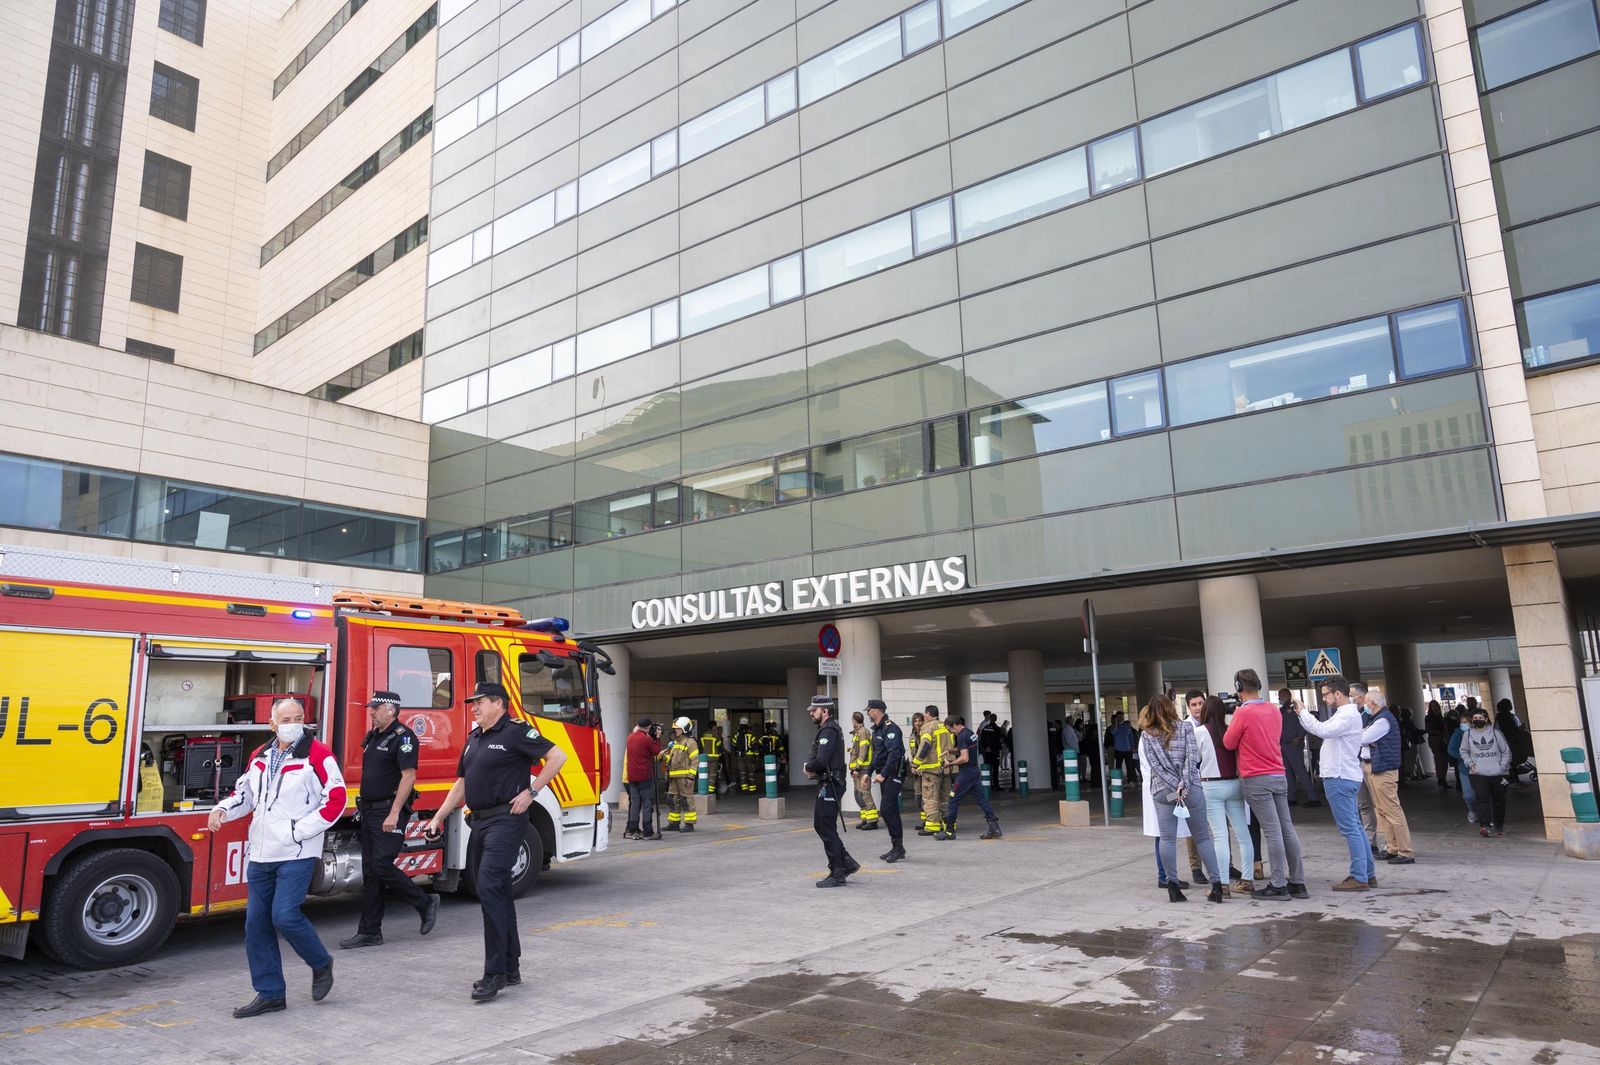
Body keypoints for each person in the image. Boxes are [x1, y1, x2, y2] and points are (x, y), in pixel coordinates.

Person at [425, 681, 567, 1001]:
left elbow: (557, 757)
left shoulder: (516, 732)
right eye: (472, 702)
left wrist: (531, 792)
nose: (473, 707)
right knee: (498, 891)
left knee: (488, 887)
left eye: (479, 702)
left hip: (507, 820)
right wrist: (438, 816)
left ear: (498, 704)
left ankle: (495, 974)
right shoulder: (474, 738)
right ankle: (510, 966)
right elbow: (461, 784)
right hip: (480, 821)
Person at [209, 697, 343, 1018]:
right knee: (256, 923)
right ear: (273, 724)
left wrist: (300, 831)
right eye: (286, 719)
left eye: (298, 717)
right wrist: (223, 809)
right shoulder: (260, 755)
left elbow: (336, 799)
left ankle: (320, 962)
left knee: (284, 915)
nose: (294, 723)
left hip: (297, 851)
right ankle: (270, 993)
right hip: (262, 852)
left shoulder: (318, 754)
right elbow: (245, 795)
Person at [340, 691, 437, 949]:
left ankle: (425, 902)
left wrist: (394, 812)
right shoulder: (374, 735)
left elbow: (408, 776)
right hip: (370, 811)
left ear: (391, 710)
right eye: (371, 707)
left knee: (381, 865)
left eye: (376, 708)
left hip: (388, 811)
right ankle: (370, 932)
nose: (371, 711)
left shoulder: (403, 737)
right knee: (371, 872)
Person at [1223, 668, 1307, 900]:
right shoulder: (1273, 709)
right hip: (1278, 774)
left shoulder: (1243, 713)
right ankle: (1298, 882)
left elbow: (1229, 743)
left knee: (1271, 831)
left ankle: (1278, 884)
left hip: (1256, 778)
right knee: (1286, 828)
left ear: (1239, 688)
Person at [1139, 695, 1225, 903]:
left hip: (1163, 792)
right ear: (1171, 708)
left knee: (1167, 839)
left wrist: (1173, 785)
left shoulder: (1147, 735)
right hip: (1190, 789)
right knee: (1203, 837)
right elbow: (1192, 758)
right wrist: (1183, 784)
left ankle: (1173, 887)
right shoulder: (1186, 728)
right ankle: (1217, 885)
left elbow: (1155, 767)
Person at [1297, 677, 1376, 891]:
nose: (1324, 699)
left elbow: (1322, 730)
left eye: (1325, 694)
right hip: (1344, 775)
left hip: (1339, 777)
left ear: (1338, 693)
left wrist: (1303, 711)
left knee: (1350, 828)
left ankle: (1359, 876)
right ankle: (1367, 873)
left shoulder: (1347, 714)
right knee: (1356, 827)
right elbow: (1322, 729)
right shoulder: (1347, 714)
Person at [1194, 695, 1253, 895]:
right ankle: (1247, 879)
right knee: (1243, 834)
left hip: (1212, 787)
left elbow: (1195, 759)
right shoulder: (1230, 730)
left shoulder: (1200, 732)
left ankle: (1222, 885)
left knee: (1220, 836)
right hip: (1235, 784)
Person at [803, 697, 858, 887]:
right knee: (821, 825)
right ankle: (847, 862)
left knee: (826, 827)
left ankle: (837, 872)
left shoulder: (829, 730)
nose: (811, 713)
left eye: (814, 710)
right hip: (828, 782)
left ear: (824, 711)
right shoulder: (829, 729)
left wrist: (808, 767)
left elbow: (821, 760)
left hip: (831, 784)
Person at [1357, 689, 1415, 865]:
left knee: (1392, 810)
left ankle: (1405, 851)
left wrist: (1363, 736)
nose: (1364, 706)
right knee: (1382, 810)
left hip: (1383, 770)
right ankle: (1392, 847)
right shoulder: (1376, 718)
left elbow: (1363, 737)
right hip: (1374, 768)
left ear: (1372, 704)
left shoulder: (1383, 720)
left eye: (1366, 702)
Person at [939, 714, 1002, 840]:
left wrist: (949, 763)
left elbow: (964, 757)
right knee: (982, 800)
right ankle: (994, 827)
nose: (950, 732)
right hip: (974, 771)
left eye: (950, 729)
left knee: (953, 799)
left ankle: (949, 831)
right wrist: (951, 751)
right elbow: (965, 749)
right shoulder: (969, 732)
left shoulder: (961, 736)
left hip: (966, 773)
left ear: (955, 725)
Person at [868, 700, 907, 862]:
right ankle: (897, 847)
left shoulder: (891, 728)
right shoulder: (878, 730)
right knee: (890, 810)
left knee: (886, 809)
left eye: (869, 710)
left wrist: (883, 774)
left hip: (894, 773)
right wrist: (868, 772)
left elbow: (894, 754)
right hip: (885, 773)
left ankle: (898, 847)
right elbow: (878, 754)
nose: (868, 713)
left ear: (876, 710)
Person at [1464, 709, 1512, 836]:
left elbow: (1506, 751)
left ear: (1486, 719)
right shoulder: (1467, 734)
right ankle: (1485, 826)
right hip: (1478, 774)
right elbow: (1464, 751)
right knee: (1482, 798)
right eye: (1475, 718)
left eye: (1480, 717)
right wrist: (1470, 763)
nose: (1477, 720)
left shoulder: (1496, 733)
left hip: (1499, 774)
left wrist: (1502, 767)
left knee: (1499, 800)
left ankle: (1499, 827)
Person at [912, 706, 952, 836]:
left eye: (925, 714)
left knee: (930, 799)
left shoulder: (929, 726)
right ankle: (949, 824)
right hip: (946, 768)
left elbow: (925, 745)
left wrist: (915, 763)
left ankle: (933, 826)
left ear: (928, 714)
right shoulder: (944, 726)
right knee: (945, 798)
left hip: (931, 769)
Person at [1278, 688, 1320, 807]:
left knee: (1300, 771)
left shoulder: (1295, 708)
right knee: (1287, 773)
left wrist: (1299, 736)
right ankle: (1291, 797)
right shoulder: (1281, 710)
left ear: (1287, 695)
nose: (1279, 698)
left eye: (1281, 695)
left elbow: (1305, 724)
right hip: (1283, 744)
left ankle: (1313, 798)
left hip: (1294, 744)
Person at [623, 718, 661, 840]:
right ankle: (648, 832)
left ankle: (633, 830)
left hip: (632, 777)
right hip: (644, 776)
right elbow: (656, 751)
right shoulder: (646, 739)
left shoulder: (629, 737)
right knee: (646, 803)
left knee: (635, 803)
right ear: (648, 727)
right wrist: (658, 737)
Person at [660, 718, 699, 832]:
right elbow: (672, 759)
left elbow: (695, 760)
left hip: (685, 778)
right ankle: (674, 823)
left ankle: (689, 824)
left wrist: (691, 777)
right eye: (675, 729)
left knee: (686, 800)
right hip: (673, 777)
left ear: (684, 729)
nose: (676, 731)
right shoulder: (676, 742)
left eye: (678, 729)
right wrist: (664, 757)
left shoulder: (691, 742)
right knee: (672, 799)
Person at [848, 711, 880, 830]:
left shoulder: (863, 733)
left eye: (852, 720)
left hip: (863, 769)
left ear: (854, 720)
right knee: (858, 795)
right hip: (857, 770)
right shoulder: (857, 733)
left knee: (865, 794)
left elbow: (863, 752)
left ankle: (873, 821)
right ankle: (865, 819)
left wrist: (857, 768)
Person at [1447, 713, 1478, 823]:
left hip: (1481, 768)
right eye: (1462, 722)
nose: (1464, 724)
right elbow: (1451, 750)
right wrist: (1465, 758)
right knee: (1469, 795)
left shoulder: (1478, 732)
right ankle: (1472, 810)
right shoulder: (1457, 735)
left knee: (1484, 794)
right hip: (1465, 769)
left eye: (1466, 722)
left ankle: (1486, 815)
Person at [907, 711, 926, 831]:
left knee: (928, 798)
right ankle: (924, 820)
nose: (918, 723)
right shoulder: (912, 735)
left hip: (926, 770)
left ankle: (932, 821)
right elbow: (913, 753)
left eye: (920, 720)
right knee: (918, 797)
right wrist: (913, 766)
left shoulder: (926, 733)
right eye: (916, 721)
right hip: (916, 771)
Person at [1425, 701, 1449, 787]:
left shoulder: (1440, 716)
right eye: (1432, 706)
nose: (1434, 707)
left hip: (1442, 739)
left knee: (1444, 760)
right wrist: (1440, 734)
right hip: (1435, 739)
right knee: (1439, 759)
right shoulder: (1429, 717)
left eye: (1436, 706)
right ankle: (1441, 778)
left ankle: (1442, 778)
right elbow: (1428, 729)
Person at [732, 717, 758, 793]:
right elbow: (755, 746)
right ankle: (752, 789)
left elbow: (733, 745)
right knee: (751, 773)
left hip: (740, 757)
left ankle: (744, 789)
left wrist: (735, 755)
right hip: (750, 756)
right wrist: (756, 755)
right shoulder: (751, 734)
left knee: (742, 773)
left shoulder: (737, 735)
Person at [978, 711, 1003, 791]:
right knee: (995, 768)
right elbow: (997, 740)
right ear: (995, 719)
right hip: (994, 751)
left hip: (987, 752)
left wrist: (986, 748)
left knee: (988, 768)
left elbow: (981, 739)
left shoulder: (985, 728)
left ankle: (989, 784)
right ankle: (996, 784)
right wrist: (991, 747)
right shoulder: (997, 729)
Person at [698, 723, 724, 796]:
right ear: (713, 726)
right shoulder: (716, 736)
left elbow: (702, 746)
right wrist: (720, 755)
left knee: (705, 774)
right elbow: (719, 747)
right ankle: (711, 792)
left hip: (705, 758)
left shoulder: (703, 735)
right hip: (713, 758)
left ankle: (705, 789)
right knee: (712, 774)